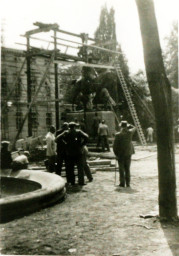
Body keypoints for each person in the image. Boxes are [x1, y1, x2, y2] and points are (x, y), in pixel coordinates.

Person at [113, 121, 136, 187]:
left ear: (121, 127)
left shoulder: (118, 135)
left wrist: (116, 154)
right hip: (128, 153)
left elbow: (115, 146)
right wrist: (130, 125)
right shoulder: (130, 133)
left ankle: (122, 183)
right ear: (126, 126)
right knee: (127, 168)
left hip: (120, 154)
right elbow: (134, 127)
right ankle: (128, 183)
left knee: (121, 169)